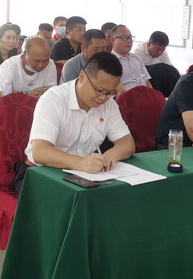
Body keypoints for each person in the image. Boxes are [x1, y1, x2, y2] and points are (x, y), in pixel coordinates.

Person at [23, 51, 135, 182]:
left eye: (109, 93)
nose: (102, 98)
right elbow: (40, 152)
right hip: (41, 172)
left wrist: (111, 155)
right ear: (82, 76)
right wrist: (81, 163)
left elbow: (127, 143)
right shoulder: (53, 99)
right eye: (98, 90)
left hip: (82, 173)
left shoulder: (109, 105)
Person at [111, 24, 152, 95]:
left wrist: (151, 96)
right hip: (126, 98)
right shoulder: (109, 61)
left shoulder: (137, 58)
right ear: (113, 41)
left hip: (144, 96)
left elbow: (147, 82)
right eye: (124, 37)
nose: (129, 41)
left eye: (130, 37)